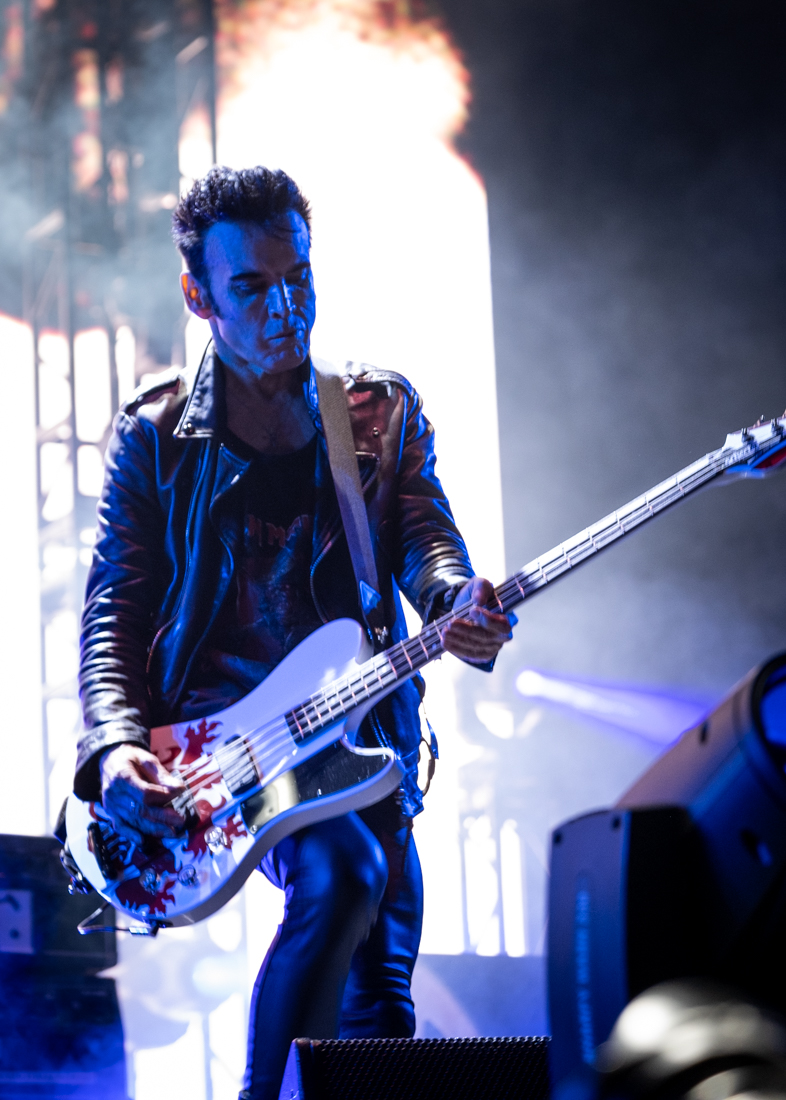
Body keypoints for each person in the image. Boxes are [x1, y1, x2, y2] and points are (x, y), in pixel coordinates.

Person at [74, 165, 513, 1100]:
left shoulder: (376, 412)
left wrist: (451, 601)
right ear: (198, 296)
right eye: (251, 287)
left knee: (381, 1004)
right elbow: (117, 606)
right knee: (343, 870)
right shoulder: (156, 435)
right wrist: (114, 746)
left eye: (298, 278)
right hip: (223, 742)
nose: (285, 307)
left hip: (363, 731)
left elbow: (424, 537)